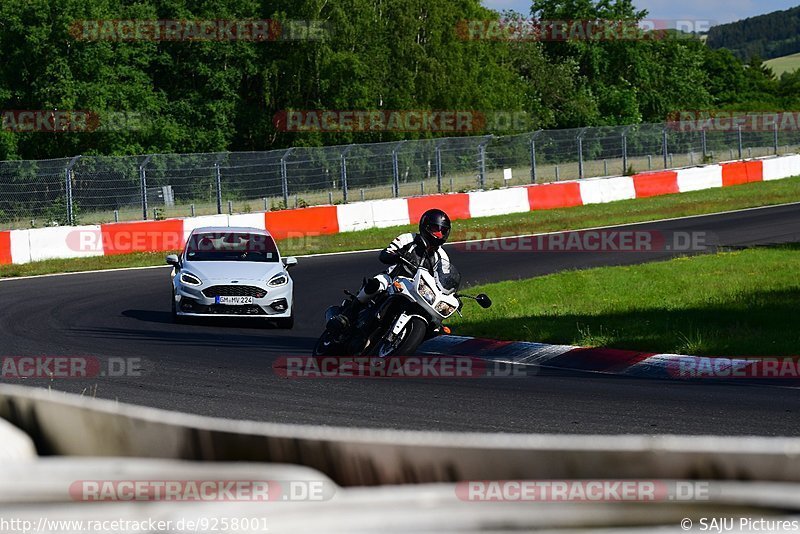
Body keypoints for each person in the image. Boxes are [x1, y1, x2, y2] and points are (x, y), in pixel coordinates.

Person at [328, 209, 453, 330]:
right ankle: (347, 315)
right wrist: (396, 256)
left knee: (435, 325)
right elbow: (386, 253)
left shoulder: (442, 256)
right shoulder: (409, 238)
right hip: (393, 279)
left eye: (442, 231)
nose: (439, 234)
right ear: (425, 226)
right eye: (435, 229)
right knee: (375, 285)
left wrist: (451, 292)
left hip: (420, 290)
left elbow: (445, 278)